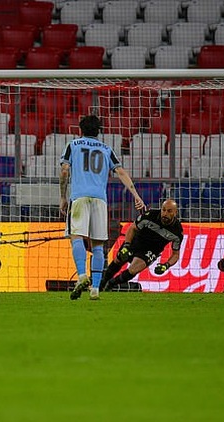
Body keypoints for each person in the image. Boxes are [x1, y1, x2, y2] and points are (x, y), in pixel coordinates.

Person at [59, 115, 145, 301]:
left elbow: (65, 170)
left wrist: (62, 197)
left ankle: (82, 275)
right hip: (100, 200)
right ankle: (95, 288)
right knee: (98, 244)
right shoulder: (106, 149)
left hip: (79, 197)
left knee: (77, 237)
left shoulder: (73, 145)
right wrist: (136, 196)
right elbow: (121, 171)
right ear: (98, 131)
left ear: (80, 129)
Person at [99, 199, 183, 292]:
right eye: (163, 210)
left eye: (169, 211)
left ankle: (111, 284)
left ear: (175, 213)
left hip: (151, 250)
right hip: (136, 241)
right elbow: (132, 228)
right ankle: (102, 283)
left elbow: (175, 254)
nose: (165, 213)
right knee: (119, 259)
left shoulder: (177, 232)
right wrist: (127, 245)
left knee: (134, 269)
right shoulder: (150, 215)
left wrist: (166, 265)